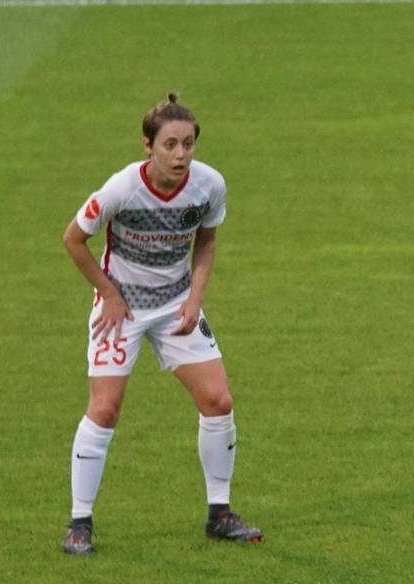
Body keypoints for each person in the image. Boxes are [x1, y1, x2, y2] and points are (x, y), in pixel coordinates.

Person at [61, 93, 259, 554]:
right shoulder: (121, 189)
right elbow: (73, 240)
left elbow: (206, 242)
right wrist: (109, 294)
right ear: (148, 145)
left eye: (188, 144)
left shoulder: (209, 185)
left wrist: (194, 299)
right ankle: (79, 523)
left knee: (218, 400)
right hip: (122, 308)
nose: (180, 154)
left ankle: (219, 514)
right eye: (170, 144)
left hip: (175, 306)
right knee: (105, 409)